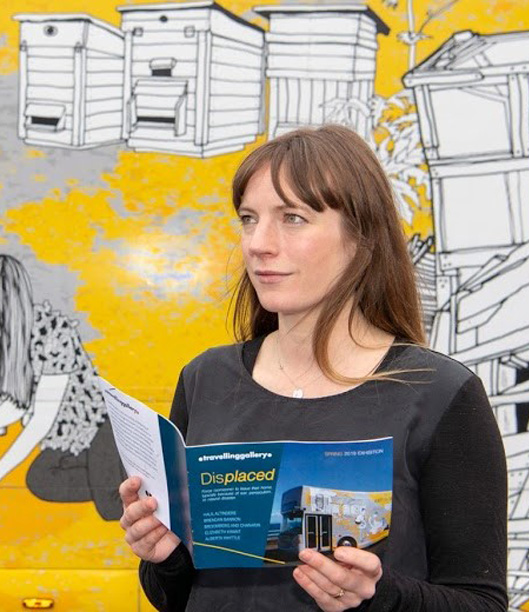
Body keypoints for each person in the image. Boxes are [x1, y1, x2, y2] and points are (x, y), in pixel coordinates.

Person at [118, 125, 507, 611]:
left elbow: (481, 604)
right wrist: (165, 557)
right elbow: (178, 596)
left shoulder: (441, 395)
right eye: (248, 218)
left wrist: (376, 597)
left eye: (293, 218)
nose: (258, 243)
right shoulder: (205, 380)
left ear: (362, 237)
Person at [0, 255, 124, 519]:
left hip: (102, 426)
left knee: (110, 506)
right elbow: (18, 406)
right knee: (42, 480)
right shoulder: (8, 340)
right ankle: (121, 474)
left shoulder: (52, 332)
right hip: (68, 437)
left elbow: (40, 419)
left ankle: (141, 479)